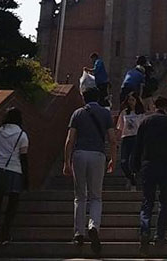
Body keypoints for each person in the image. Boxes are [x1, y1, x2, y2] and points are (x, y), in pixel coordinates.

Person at [63, 87, 117, 256]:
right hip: (98, 155)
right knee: (96, 195)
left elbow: (69, 140)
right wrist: (113, 159)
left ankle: (79, 233)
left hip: (79, 154)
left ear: (83, 98)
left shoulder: (77, 113)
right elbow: (113, 140)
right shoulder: (105, 114)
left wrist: (66, 162)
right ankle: (93, 226)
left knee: (80, 196)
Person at [131, 95, 167, 255]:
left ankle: (144, 231)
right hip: (166, 166)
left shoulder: (146, 121)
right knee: (164, 201)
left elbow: (138, 145)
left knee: (147, 201)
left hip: (148, 165)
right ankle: (160, 235)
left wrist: (135, 166)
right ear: (166, 107)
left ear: (154, 106)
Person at [0, 107, 29, 244]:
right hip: (15, 171)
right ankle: (5, 234)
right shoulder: (21, 135)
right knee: (12, 205)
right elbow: (23, 158)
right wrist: (26, 177)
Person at [116, 91, 144, 188]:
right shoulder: (124, 113)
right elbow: (120, 127)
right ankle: (131, 178)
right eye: (129, 100)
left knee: (133, 161)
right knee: (123, 162)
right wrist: (116, 140)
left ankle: (134, 179)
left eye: (133, 100)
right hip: (126, 138)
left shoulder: (141, 114)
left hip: (136, 138)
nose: (131, 102)